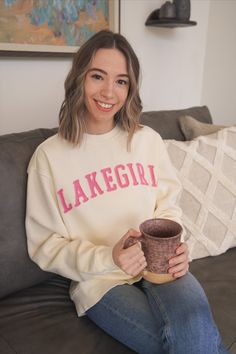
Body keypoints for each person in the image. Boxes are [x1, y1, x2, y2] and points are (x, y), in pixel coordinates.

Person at [25, 30, 228, 354]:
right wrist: (110, 257)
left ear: (130, 88)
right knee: (187, 344)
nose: (109, 91)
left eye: (121, 81)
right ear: (79, 78)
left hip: (159, 264)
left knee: (193, 327)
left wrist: (177, 246)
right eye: (97, 76)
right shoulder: (49, 157)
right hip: (100, 281)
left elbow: (167, 207)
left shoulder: (146, 140)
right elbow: (46, 246)